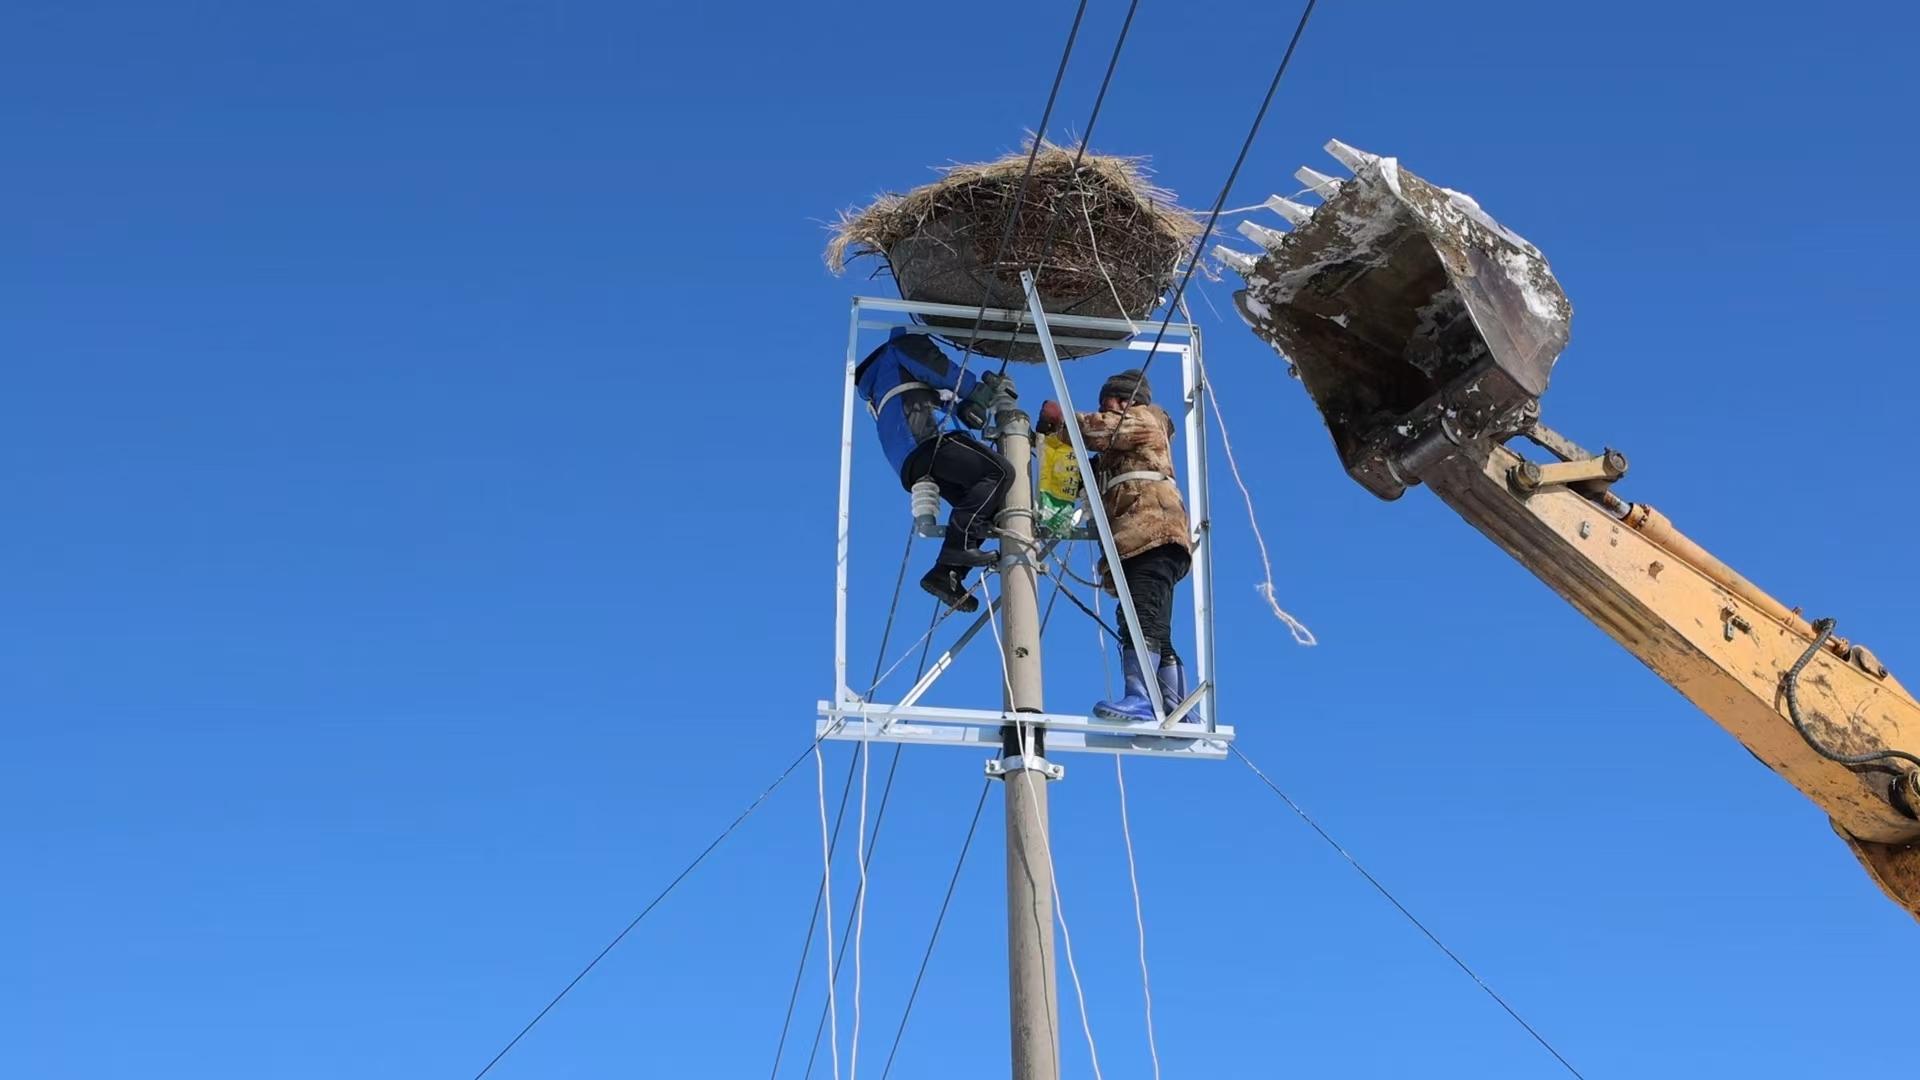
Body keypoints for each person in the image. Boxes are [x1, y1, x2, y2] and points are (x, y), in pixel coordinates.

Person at [1037, 369, 1195, 724]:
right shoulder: (1121, 452)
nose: (1103, 410)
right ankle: (1179, 708)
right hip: (1146, 538)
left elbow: (1095, 429)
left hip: (1149, 532)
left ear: (1125, 401)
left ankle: (1140, 698)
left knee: (1140, 618)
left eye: (1106, 404)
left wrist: (1060, 420)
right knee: (1152, 622)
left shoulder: (1143, 418)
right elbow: (1083, 471)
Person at [855, 330, 1013, 613]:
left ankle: (947, 574)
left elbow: (934, 391)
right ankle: (958, 549)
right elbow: (938, 368)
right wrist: (975, 389)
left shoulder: (883, 380)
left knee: (984, 502)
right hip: (927, 435)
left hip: (908, 454)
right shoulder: (902, 346)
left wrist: (968, 404)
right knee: (999, 473)